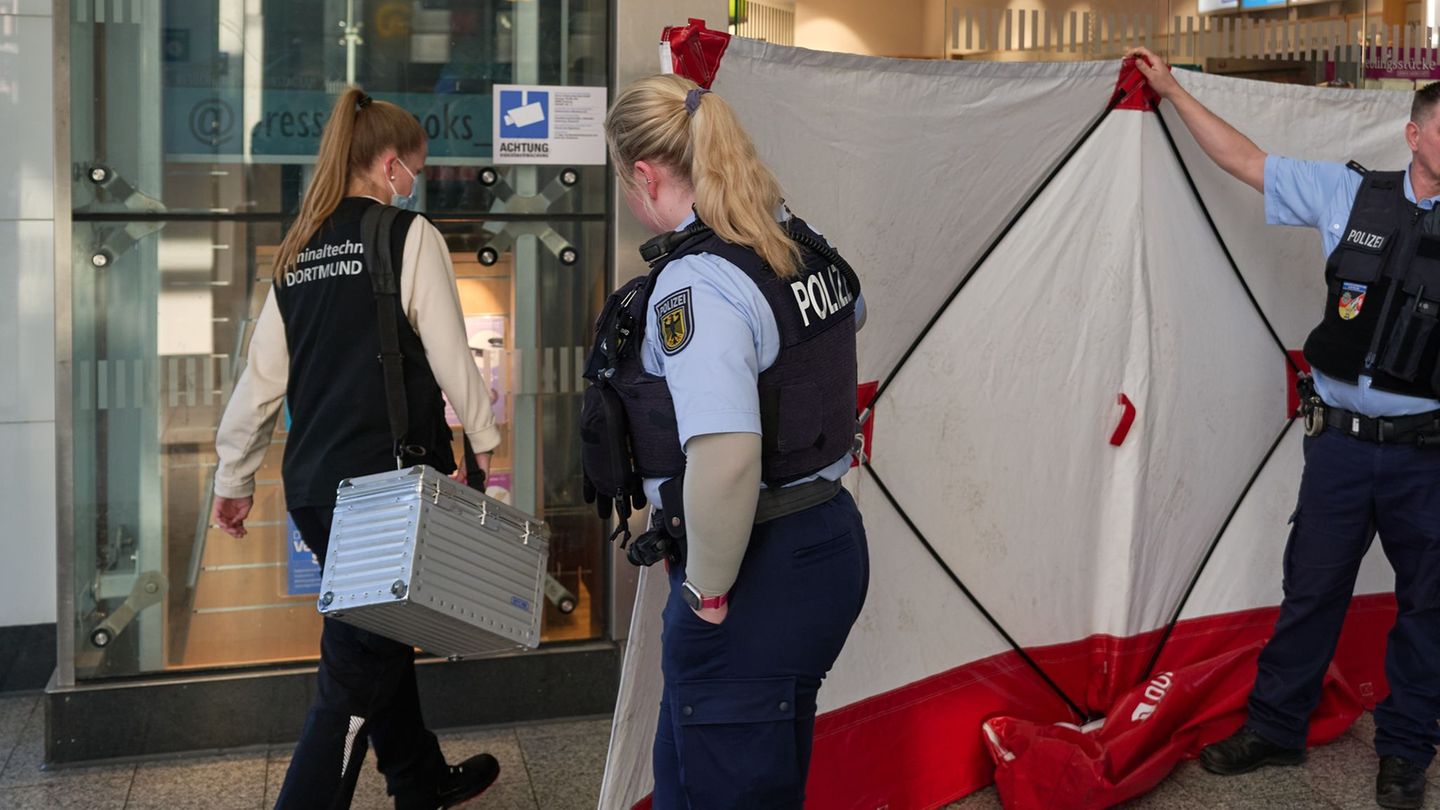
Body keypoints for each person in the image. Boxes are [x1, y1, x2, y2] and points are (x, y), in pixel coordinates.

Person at [1132, 47, 1440, 810]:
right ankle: (1276, 727)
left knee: (1430, 609)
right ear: (1413, 135)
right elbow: (1247, 160)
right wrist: (1171, 90)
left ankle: (1405, 753)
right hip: (1339, 447)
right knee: (1310, 590)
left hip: (1427, 458)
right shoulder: (1348, 193)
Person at [210, 87, 503, 810]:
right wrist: (486, 443)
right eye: (416, 170)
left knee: (377, 637)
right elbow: (450, 355)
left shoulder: (297, 251)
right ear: (390, 163)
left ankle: (420, 780)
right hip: (385, 492)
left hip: (315, 488)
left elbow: (261, 381)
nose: (415, 183)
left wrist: (233, 477)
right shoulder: (407, 235)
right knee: (350, 675)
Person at [596, 74, 870, 809]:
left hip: (754, 567)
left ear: (645, 175)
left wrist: (708, 592)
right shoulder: (787, 237)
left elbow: (726, 456)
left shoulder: (699, 282)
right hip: (826, 538)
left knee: (721, 786)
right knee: (716, 774)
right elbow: (851, 314)